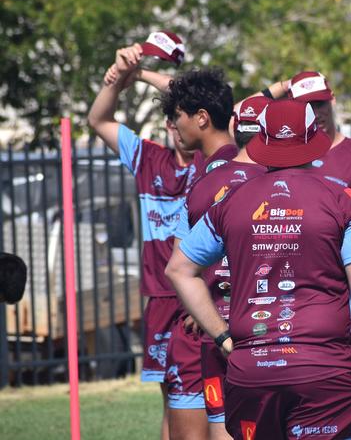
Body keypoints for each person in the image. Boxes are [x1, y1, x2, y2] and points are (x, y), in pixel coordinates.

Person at [165, 99, 351, 439]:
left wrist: (223, 337)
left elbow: (179, 269)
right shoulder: (344, 199)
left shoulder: (231, 201)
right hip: (323, 370)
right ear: (313, 139)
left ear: (261, 141)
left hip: (252, 371)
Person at [88, 42, 197, 440]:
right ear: (166, 125)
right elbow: (99, 119)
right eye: (169, 121)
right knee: (171, 398)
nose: (176, 128)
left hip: (202, 294)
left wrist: (140, 74)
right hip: (161, 298)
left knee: (208, 394)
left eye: (180, 118)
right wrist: (117, 79)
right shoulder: (147, 158)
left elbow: (193, 94)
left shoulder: (214, 157)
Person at [172, 96, 268, 440]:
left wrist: (203, 311)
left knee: (222, 421)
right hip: (268, 328)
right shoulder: (277, 183)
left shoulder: (202, 187)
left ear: (232, 128)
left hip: (216, 331)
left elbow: (180, 265)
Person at [156, 66, 237, 440]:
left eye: (178, 118)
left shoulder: (218, 177)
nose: (174, 127)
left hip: (224, 331)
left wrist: (204, 305)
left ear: (202, 118)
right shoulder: (241, 163)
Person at [262, 71, 351, 276]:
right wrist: (282, 86)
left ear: (333, 100)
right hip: (289, 282)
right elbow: (234, 119)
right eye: (307, 106)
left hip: (337, 292)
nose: (316, 112)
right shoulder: (279, 157)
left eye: (320, 103)